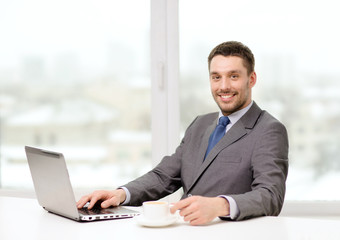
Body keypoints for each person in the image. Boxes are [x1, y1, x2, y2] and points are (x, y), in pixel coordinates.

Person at [77, 41, 289, 225]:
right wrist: (120, 194)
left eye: (233, 76)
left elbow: (271, 196)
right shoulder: (200, 124)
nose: (224, 86)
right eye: (216, 77)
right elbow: (164, 176)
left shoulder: (269, 130)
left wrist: (221, 205)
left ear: (251, 79)